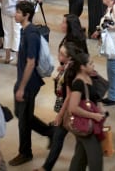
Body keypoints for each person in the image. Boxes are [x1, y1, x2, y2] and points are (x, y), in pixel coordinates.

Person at [10, 0, 53, 166]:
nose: (16, 14)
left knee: (23, 120)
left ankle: (25, 152)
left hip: (29, 84)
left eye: (18, 12)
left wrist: (21, 87)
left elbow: (30, 62)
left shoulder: (31, 34)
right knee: (21, 115)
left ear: (26, 15)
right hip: (22, 81)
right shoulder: (24, 30)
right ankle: (49, 131)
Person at [37, 41, 78, 171]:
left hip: (69, 109)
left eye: (62, 54)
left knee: (59, 136)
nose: (58, 55)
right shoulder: (67, 66)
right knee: (59, 133)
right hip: (65, 107)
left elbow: (69, 96)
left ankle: (46, 167)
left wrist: (60, 114)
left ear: (70, 57)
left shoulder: (71, 71)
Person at [66, 50, 107, 171]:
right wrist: (93, 115)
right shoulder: (79, 83)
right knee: (96, 159)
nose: (93, 65)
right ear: (82, 67)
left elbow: (94, 98)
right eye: (90, 63)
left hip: (88, 124)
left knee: (80, 158)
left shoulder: (89, 77)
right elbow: (73, 107)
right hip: (86, 126)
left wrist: (99, 107)